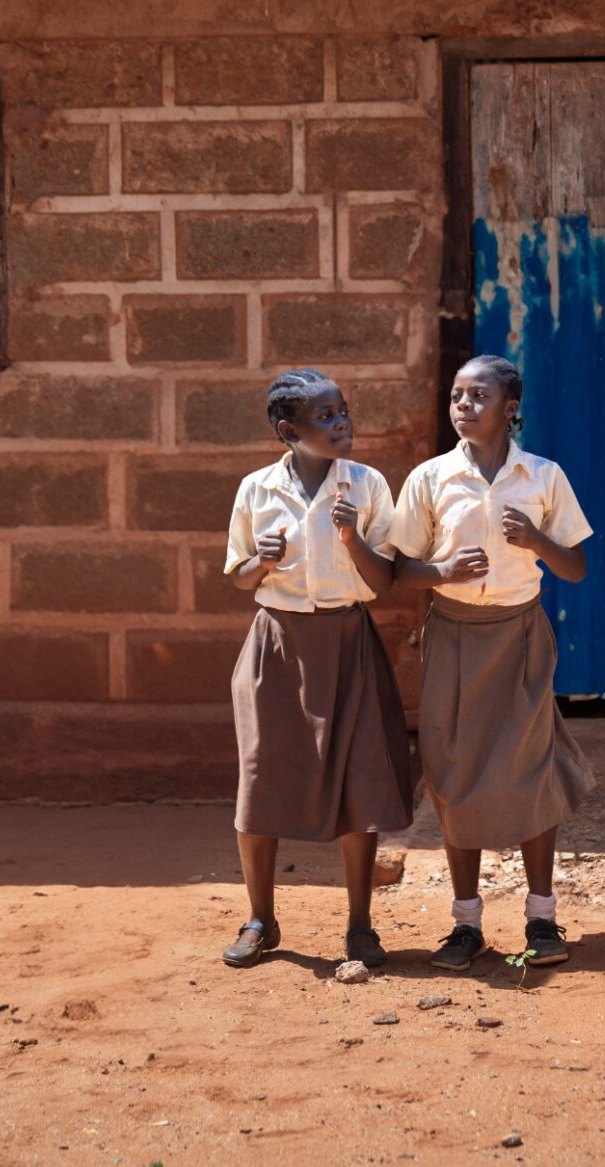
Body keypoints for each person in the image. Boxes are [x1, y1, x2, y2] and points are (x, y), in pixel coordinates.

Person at [390, 355, 596, 973]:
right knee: (454, 772)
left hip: (520, 637)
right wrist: (441, 573)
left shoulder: (542, 476)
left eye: (479, 395)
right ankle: (466, 923)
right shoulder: (430, 479)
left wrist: (536, 540)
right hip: (453, 636)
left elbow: (577, 568)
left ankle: (541, 915)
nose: (463, 405)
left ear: (511, 407)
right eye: (457, 395)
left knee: (529, 768)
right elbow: (399, 569)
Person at [220, 368, 414, 969]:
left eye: (342, 412)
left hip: (348, 640)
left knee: (360, 781)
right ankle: (261, 917)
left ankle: (360, 926)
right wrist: (261, 560)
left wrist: (353, 537)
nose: (341, 424)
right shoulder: (256, 489)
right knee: (260, 778)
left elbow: (385, 582)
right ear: (288, 431)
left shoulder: (367, 485)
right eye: (324, 417)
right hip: (276, 647)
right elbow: (237, 577)